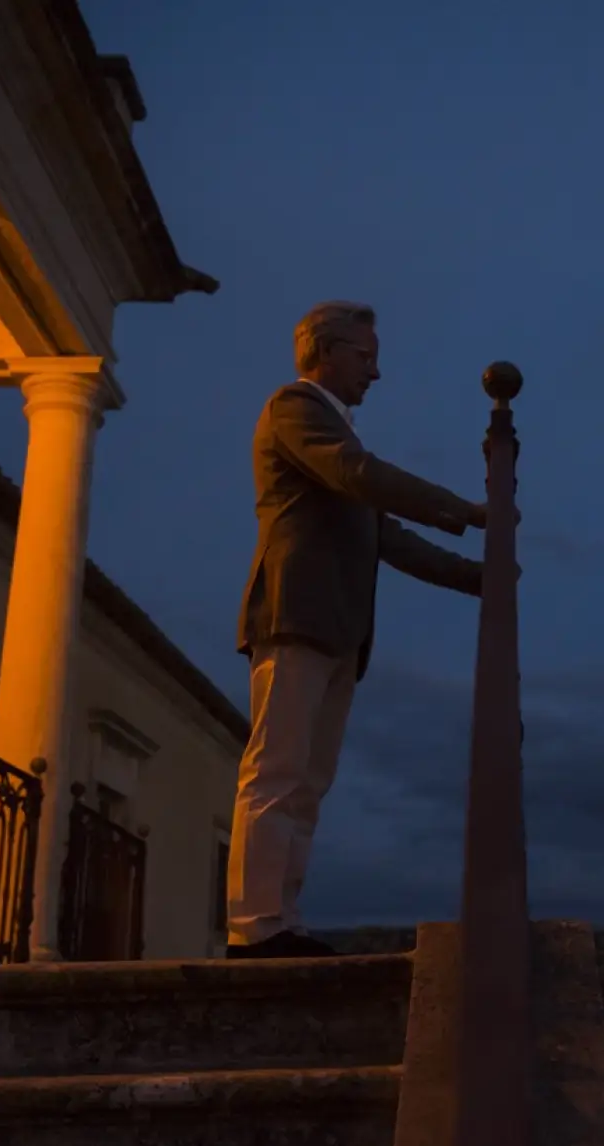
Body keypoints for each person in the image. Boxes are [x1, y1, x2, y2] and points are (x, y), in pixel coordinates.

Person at [227, 301, 486, 959]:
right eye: (366, 357)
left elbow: (382, 532)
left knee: (307, 781)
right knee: (279, 772)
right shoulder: (295, 409)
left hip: (338, 629)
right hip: (294, 616)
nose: (376, 372)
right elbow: (360, 478)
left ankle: (280, 920)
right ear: (328, 351)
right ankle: (255, 927)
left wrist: (480, 577)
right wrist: (463, 508)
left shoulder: (335, 434)